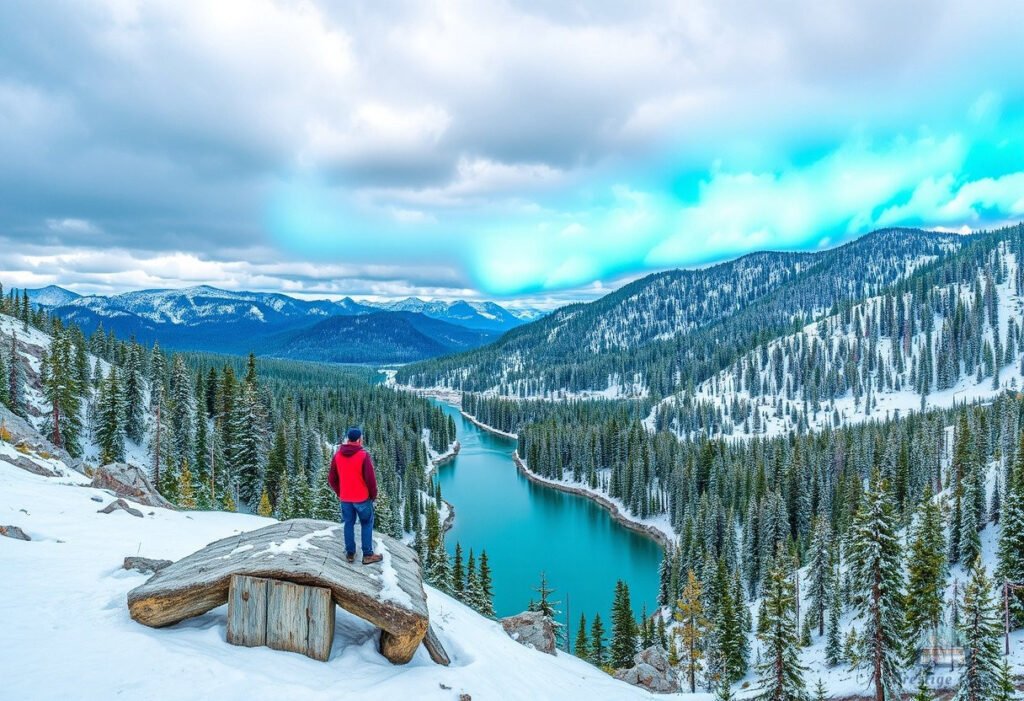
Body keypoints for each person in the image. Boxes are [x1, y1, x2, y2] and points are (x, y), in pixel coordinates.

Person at [328, 427, 382, 564]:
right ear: (359, 439)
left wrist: (340, 492)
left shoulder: (338, 455)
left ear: (348, 439)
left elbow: (331, 479)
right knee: (366, 522)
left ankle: (350, 553)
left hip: (345, 499)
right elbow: (370, 479)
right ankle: (367, 554)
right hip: (362, 498)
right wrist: (373, 495)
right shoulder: (363, 455)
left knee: (348, 524)